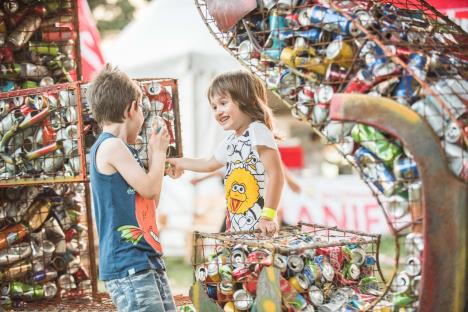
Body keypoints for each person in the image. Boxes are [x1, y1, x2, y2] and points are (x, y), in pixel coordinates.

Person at [87, 64, 177, 312]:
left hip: (144, 256)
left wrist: (155, 160)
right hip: (126, 260)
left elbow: (151, 200)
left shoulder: (124, 149)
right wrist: (157, 154)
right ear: (131, 109)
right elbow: (148, 188)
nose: (143, 120)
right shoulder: (111, 146)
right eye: (141, 110)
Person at [167, 70, 284, 236]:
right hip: (237, 228)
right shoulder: (231, 141)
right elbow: (209, 164)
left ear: (247, 100)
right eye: (214, 107)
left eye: (223, 103)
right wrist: (177, 162)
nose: (217, 111)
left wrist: (268, 216)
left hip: (259, 227)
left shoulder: (257, 131)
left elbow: (276, 174)